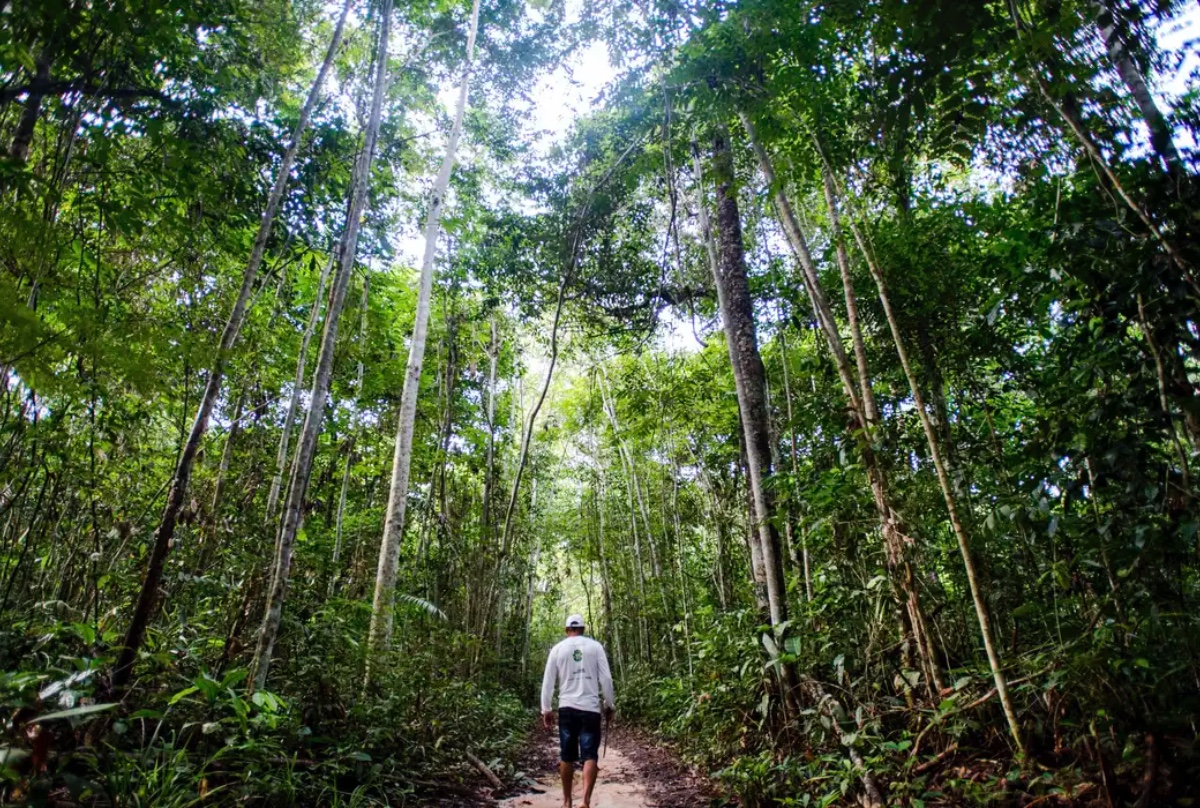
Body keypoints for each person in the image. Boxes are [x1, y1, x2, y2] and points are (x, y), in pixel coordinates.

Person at [540, 614, 615, 808]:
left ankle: (567, 802)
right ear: (583, 629)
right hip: (590, 708)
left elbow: (548, 681)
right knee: (590, 755)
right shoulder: (595, 647)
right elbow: (606, 679)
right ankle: (585, 801)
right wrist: (609, 705)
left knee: (566, 755)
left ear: (566, 630)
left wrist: (546, 709)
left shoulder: (558, 649)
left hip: (566, 707)